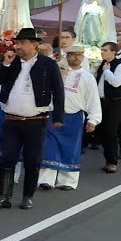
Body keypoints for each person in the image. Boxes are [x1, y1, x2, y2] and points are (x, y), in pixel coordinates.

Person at [0, 28, 65, 210]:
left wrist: (59, 117)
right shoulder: (12, 62)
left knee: (32, 159)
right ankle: (4, 195)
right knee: (7, 158)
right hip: (12, 120)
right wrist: (5, 65)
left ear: (34, 45)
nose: (18, 46)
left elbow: (58, 91)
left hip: (36, 121)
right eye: (17, 43)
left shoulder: (48, 64)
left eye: (23, 43)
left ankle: (27, 196)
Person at [36, 46, 100, 190]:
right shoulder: (57, 72)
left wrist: (93, 120)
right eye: (73, 55)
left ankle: (67, 181)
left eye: (79, 55)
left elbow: (93, 99)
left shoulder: (88, 77)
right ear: (67, 56)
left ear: (83, 57)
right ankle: (46, 180)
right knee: (49, 147)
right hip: (54, 114)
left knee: (71, 148)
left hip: (74, 117)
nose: (76, 58)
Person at [96, 42, 121, 173]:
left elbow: (116, 82)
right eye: (102, 50)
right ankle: (107, 159)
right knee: (102, 131)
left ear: (113, 52)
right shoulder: (102, 65)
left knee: (111, 132)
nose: (102, 52)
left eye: (105, 50)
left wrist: (107, 71)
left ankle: (112, 161)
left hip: (114, 103)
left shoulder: (120, 66)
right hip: (101, 102)